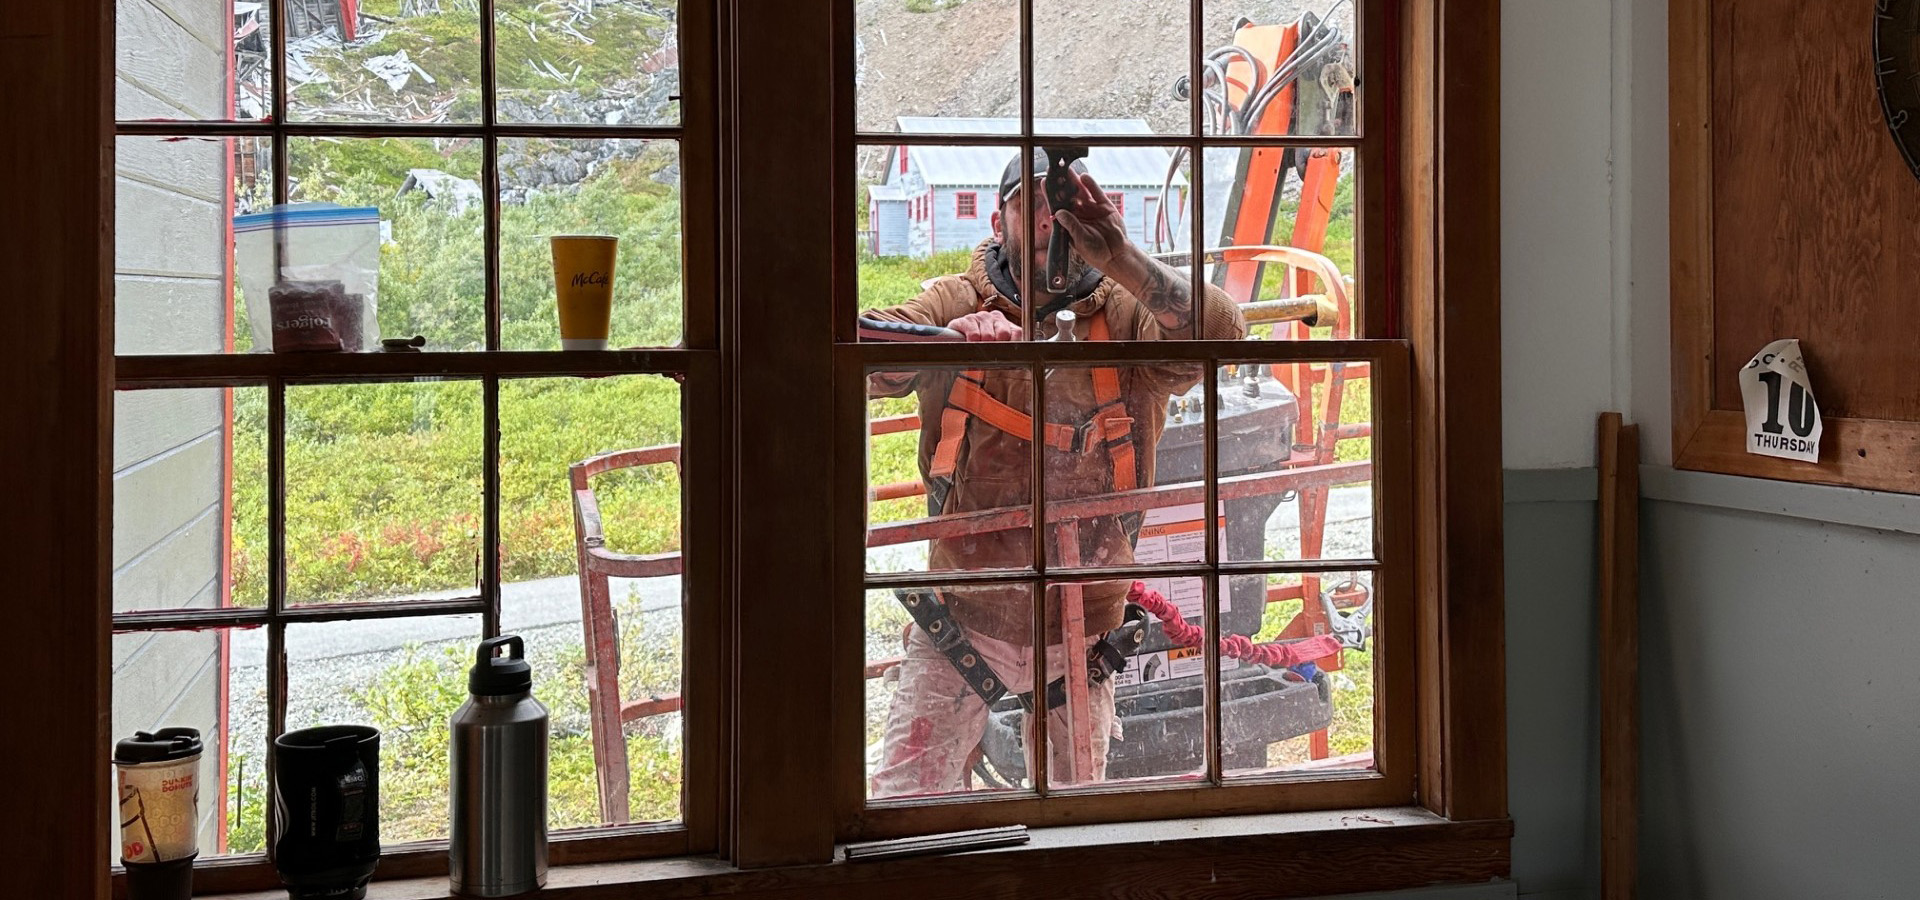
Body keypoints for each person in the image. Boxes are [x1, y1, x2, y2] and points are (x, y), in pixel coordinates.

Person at [865, 149, 1248, 797]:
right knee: (903, 804)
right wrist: (952, 337)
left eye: (1063, 203)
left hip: (1083, 625)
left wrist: (1120, 256)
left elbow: (1222, 337)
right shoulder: (954, 298)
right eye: (1032, 204)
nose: (1049, 217)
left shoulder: (1127, 317)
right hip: (961, 615)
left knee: (1077, 822)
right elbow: (862, 358)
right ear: (998, 219)